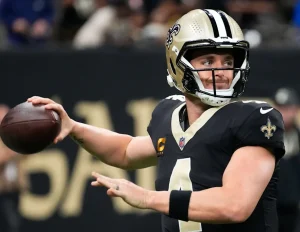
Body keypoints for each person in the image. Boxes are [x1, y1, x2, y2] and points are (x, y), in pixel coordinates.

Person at [27, 9, 285, 232]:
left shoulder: (252, 119)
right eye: (207, 61)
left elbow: (234, 205)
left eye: (228, 61)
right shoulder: (170, 115)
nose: (221, 71)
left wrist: (148, 198)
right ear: (178, 63)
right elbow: (125, 151)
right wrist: (74, 127)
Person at [273, 87, 300, 232]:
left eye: (287, 108)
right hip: (269, 206)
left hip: (292, 206)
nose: (283, 114)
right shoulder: (264, 137)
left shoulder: (298, 136)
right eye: (280, 108)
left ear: (295, 109)